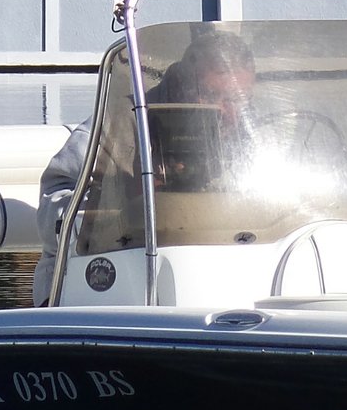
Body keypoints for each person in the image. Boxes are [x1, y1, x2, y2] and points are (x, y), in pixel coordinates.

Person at [30, 32, 255, 305]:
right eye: (211, 95)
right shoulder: (114, 127)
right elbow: (50, 215)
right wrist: (121, 200)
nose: (225, 112)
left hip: (210, 288)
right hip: (96, 290)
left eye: (238, 100)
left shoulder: (253, 142)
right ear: (182, 85)